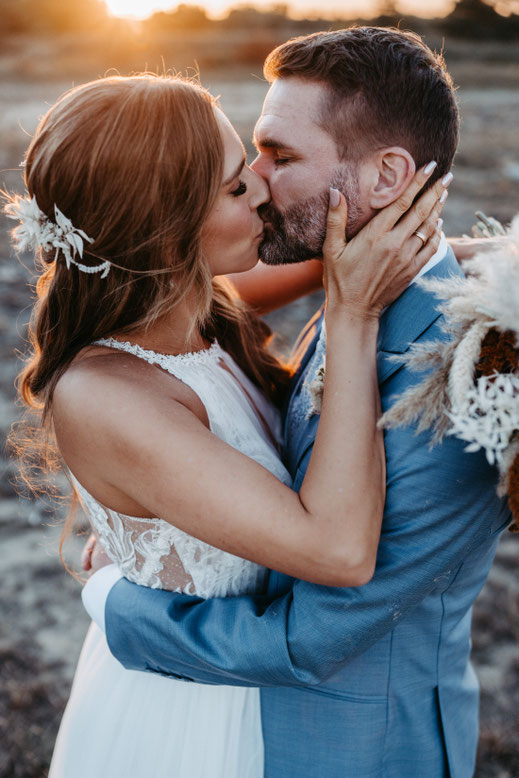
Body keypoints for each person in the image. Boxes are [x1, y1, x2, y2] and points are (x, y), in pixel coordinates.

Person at [82, 28, 512, 778]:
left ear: (386, 177)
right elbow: (187, 297)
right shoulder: (355, 286)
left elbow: (314, 632)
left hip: (356, 749)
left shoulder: (462, 373)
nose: (256, 180)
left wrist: (117, 600)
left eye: (280, 158)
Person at [5, 71, 445, 777]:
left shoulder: (197, 306)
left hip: (264, 702)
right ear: (163, 228)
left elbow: (368, 265)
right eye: (237, 187)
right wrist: (352, 317)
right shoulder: (107, 393)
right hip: (189, 722)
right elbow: (337, 551)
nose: (264, 190)